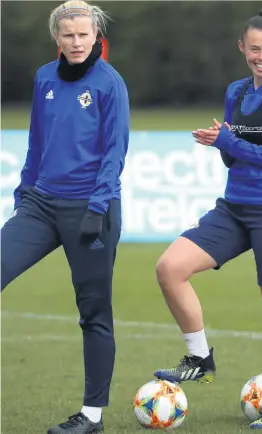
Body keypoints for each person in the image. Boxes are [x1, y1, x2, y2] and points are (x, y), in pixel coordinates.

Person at [153, 8, 262, 430]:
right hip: (235, 207)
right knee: (170, 268)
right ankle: (200, 357)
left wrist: (229, 140)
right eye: (254, 49)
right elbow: (230, 155)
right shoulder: (236, 91)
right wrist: (219, 141)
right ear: (242, 47)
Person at [1, 1, 129, 433]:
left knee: (93, 312)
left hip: (92, 209)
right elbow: (37, 140)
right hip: (40, 204)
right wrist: (24, 192)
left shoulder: (110, 83)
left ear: (96, 36)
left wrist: (97, 208)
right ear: (57, 38)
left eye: (84, 35)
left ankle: (91, 417)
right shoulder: (43, 78)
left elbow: (115, 152)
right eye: (68, 35)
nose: (77, 43)